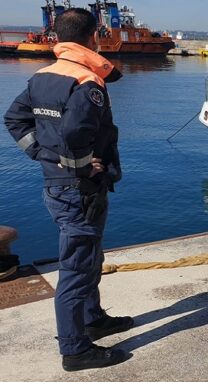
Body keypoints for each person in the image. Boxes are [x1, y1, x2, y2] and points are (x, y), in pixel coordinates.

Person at [4, 8, 133, 371]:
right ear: (93, 37)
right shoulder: (87, 82)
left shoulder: (43, 76)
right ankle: (75, 350)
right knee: (77, 266)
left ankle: (93, 318)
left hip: (58, 186)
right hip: (79, 189)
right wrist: (79, 166)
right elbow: (76, 133)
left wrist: (40, 154)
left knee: (88, 255)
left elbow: (15, 118)